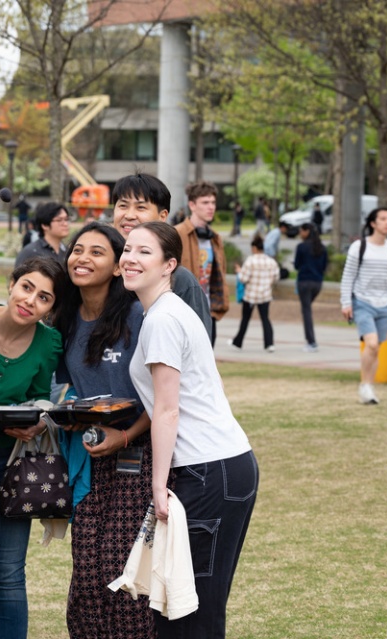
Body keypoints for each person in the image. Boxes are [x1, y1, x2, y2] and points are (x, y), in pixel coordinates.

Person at [122, 220, 259, 639]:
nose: (130, 258)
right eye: (128, 249)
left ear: (169, 265)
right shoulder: (164, 313)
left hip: (209, 469)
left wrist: (158, 483)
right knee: (183, 604)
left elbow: (167, 408)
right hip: (218, 466)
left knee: (191, 610)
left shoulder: (163, 319)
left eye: (145, 252)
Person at [52, 222, 156, 639]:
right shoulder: (65, 318)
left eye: (97, 252)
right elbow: (61, 386)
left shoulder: (137, 317)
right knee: (87, 562)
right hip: (89, 453)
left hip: (139, 452)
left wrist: (126, 436)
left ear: (117, 267)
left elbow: (163, 398)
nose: (83, 258)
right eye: (78, 250)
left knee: (124, 564)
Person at [0, 257, 64, 639]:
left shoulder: (48, 342)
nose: (30, 301)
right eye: (26, 287)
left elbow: (41, 397)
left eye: (44, 298)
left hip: (10, 463)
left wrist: (36, 419)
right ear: (11, 284)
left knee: (8, 570)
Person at [111, 173, 212, 341]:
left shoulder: (178, 278)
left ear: (162, 216)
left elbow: (197, 345)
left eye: (140, 207)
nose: (129, 215)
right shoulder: (99, 267)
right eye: (123, 206)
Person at [340, 207, 387, 405]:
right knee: (371, 344)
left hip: (386, 305)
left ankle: (369, 387)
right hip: (362, 302)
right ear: (373, 223)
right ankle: (364, 385)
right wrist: (346, 302)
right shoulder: (359, 247)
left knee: (376, 349)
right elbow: (348, 275)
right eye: (383, 219)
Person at [175, 181, 229, 344]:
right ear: (192, 204)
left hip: (208, 311)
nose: (211, 207)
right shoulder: (177, 234)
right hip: (182, 311)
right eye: (205, 203)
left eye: (213, 202)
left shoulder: (215, 238)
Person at [229, 234, 280, 352]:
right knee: (265, 319)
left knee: (245, 319)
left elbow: (243, 278)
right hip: (265, 295)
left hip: (250, 295)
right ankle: (269, 344)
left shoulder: (250, 261)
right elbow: (276, 277)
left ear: (254, 248)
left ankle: (238, 342)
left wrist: (239, 271)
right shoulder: (271, 261)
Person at [293, 223, 329, 352]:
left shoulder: (301, 247)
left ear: (307, 231)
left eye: (301, 231)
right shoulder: (322, 248)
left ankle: (311, 341)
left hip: (304, 282)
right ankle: (310, 340)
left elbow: (296, 265)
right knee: (307, 309)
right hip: (317, 283)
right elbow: (325, 267)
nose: (300, 234)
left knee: (306, 311)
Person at [14, 201, 71, 267]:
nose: (65, 224)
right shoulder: (31, 252)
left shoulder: (67, 252)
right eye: (59, 220)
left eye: (66, 219)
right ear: (44, 225)